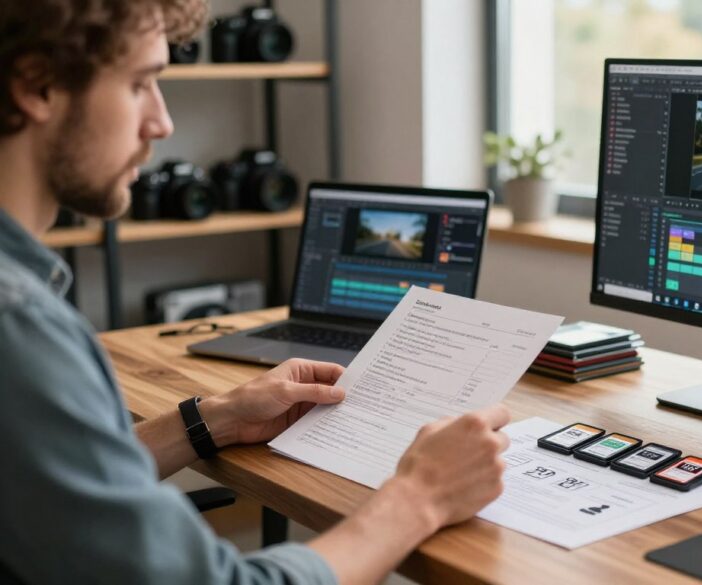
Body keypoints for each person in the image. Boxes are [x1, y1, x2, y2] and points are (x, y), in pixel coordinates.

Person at [0, 1, 510, 583]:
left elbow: (56, 487)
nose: (162, 123)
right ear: (37, 86)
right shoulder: (20, 328)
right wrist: (421, 497)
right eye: (140, 84)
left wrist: (214, 420)